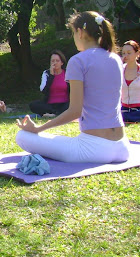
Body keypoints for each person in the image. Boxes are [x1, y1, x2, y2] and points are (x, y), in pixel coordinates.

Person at [16, 11, 130, 163]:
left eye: (73, 33)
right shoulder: (115, 58)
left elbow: (75, 111)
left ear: (80, 32)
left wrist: (38, 129)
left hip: (94, 149)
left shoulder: (78, 60)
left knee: (22, 136)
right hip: (122, 147)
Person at [29, 50, 70, 117]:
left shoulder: (67, 73)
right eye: (53, 61)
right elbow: (43, 90)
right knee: (33, 105)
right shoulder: (46, 73)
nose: (55, 63)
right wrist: (51, 76)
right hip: (50, 105)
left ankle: (54, 114)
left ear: (62, 62)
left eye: (57, 61)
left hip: (64, 103)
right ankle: (55, 113)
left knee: (73, 104)